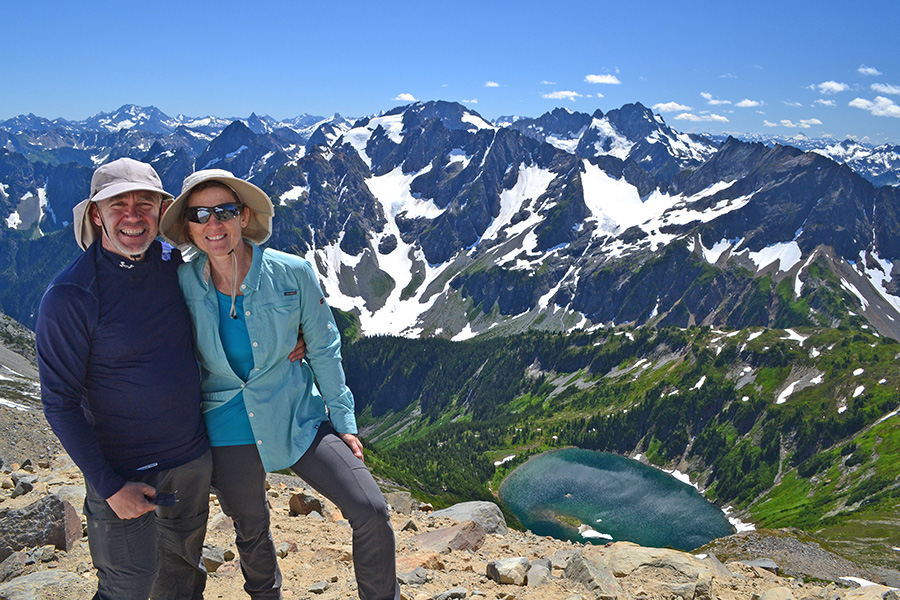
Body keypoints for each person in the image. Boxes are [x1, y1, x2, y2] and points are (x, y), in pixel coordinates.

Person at [159, 169, 400, 600]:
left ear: (243, 215)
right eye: (199, 215)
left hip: (298, 415)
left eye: (224, 211)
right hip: (224, 423)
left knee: (370, 509)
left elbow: (324, 346)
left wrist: (343, 421)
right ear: (188, 227)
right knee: (251, 530)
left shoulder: (292, 273)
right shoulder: (180, 282)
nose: (213, 224)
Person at [35, 157, 213, 600]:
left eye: (145, 203)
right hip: (123, 472)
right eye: (118, 205)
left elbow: (235, 308)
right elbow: (59, 401)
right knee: (126, 586)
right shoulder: (71, 296)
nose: (133, 215)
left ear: (161, 210)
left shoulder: (179, 267)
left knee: (183, 577)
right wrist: (109, 487)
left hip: (191, 462)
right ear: (97, 214)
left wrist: (295, 337)